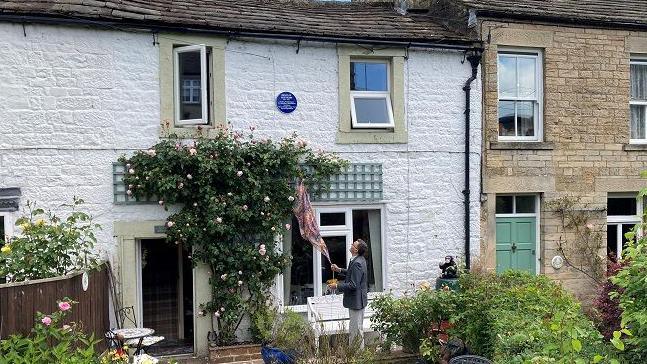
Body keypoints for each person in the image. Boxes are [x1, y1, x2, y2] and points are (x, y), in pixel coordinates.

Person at [328, 239, 369, 349]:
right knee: (356, 328)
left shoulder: (357, 263)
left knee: (355, 329)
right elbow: (352, 274)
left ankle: (357, 355)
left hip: (356, 301)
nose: (351, 244)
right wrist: (339, 270)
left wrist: (337, 286)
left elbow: (353, 284)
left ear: (356, 250)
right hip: (358, 300)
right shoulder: (358, 260)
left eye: (353, 244)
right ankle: (357, 354)